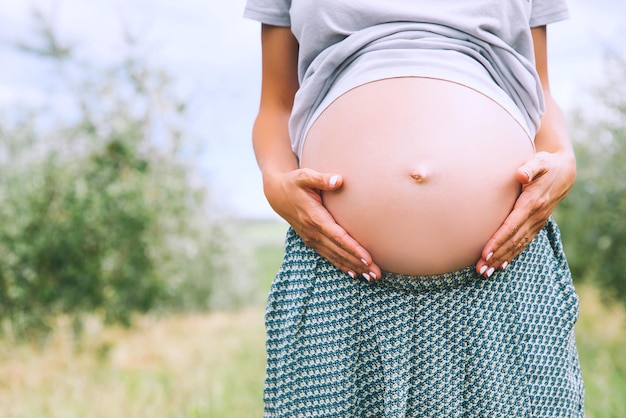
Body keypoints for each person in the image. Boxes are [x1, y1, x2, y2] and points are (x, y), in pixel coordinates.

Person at [245, 1, 584, 416]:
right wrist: (275, 182)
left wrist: (563, 157)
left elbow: (539, 93)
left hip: (502, 277)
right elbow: (276, 104)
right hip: (339, 274)